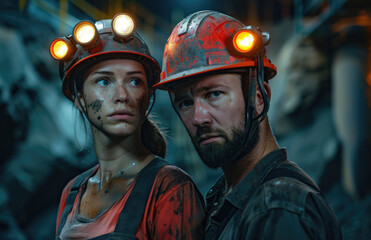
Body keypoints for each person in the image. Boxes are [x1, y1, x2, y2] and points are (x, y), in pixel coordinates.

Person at [154, 10, 342, 239]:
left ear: (259, 98)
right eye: (185, 102)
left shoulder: (279, 207)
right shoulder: (231, 197)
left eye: (214, 94)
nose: (198, 118)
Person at [50, 13, 205, 240]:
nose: (122, 96)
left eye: (134, 81)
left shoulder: (169, 188)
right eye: (104, 81)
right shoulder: (73, 192)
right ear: (79, 97)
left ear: (148, 95)